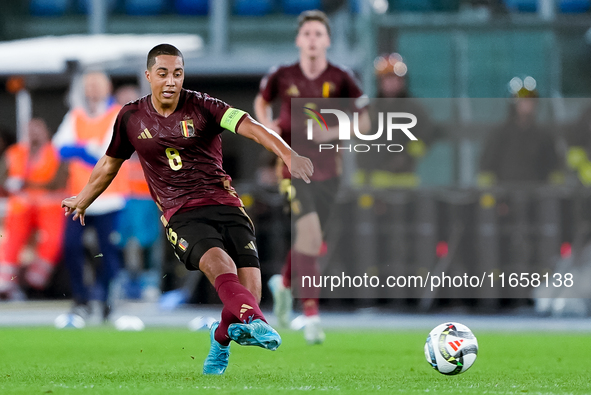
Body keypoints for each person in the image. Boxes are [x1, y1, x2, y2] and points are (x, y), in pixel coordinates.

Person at [61, 44, 313, 375]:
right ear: (148, 76)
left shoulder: (204, 105)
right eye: (163, 73)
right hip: (180, 212)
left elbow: (252, 127)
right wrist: (83, 198)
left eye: (177, 73)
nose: (170, 81)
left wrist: (288, 154)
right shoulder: (131, 117)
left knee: (249, 290)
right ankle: (256, 320)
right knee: (220, 267)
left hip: (226, 203)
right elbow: (109, 164)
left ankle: (221, 337)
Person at [253, 10, 369, 344]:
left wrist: (332, 132)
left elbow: (364, 120)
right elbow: (261, 103)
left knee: (310, 240)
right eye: (307, 34)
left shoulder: (342, 77)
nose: (313, 40)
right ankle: (313, 315)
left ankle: (284, 283)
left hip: (329, 170)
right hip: (293, 167)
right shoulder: (282, 75)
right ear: (298, 40)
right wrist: (268, 124)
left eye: (319, 34)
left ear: (328, 40)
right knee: (310, 235)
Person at [53, 71, 129, 321]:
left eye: (97, 85)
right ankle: (81, 300)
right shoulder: (76, 115)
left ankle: (107, 301)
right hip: (79, 197)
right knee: (70, 246)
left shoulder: (117, 114)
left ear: (108, 88)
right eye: (89, 85)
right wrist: (86, 149)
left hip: (109, 198)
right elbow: (59, 148)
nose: (93, 90)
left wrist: (80, 149)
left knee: (108, 252)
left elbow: (107, 154)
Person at [0, 118, 68, 299]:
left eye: (38, 130)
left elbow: (58, 181)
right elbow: (3, 177)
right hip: (21, 207)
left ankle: (38, 275)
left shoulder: (56, 152)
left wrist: (26, 184)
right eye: (30, 130)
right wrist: (10, 184)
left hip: (48, 206)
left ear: (47, 132)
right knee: (11, 238)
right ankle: (7, 279)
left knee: (53, 239)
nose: (34, 134)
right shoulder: (15, 152)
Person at [355, 53, 435, 189]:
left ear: (403, 81)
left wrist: (406, 157)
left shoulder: (413, 110)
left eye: (394, 78)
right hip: (367, 182)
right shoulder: (371, 109)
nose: (390, 83)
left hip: (400, 183)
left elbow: (426, 136)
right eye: (386, 79)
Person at [478, 78, 563, 187]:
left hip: (536, 197)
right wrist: (489, 199)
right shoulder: (499, 135)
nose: (528, 104)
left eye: (531, 100)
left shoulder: (544, 137)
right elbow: (487, 169)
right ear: (514, 103)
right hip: (505, 196)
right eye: (523, 100)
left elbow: (554, 169)